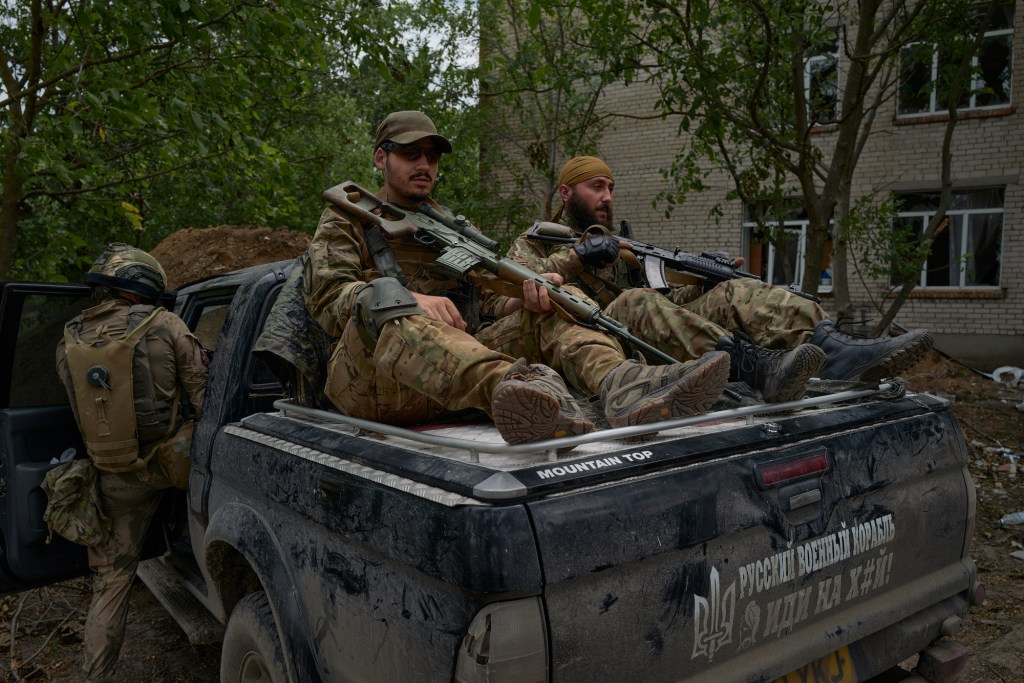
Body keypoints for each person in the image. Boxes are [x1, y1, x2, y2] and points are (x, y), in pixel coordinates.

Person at [302, 111, 733, 443]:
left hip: (451, 380)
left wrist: (522, 299)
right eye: (410, 154)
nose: (424, 164)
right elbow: (327, 298)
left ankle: (620, 386)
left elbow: (487, 307)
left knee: (556, 308)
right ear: (381, 157)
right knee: (388, 302)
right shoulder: (347, 216)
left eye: (431, 157)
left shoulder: (452, 226)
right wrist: (407, 299)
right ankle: (526, 394)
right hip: (373, 384)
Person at [498, 156, 934, 401]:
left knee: (729, 291)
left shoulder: (621, 246)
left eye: (610, 187)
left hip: (648, 332)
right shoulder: (533, 241)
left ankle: (835, 350)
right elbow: (508, 288)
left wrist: (703, 277)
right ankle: (756, 368)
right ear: (566, 193)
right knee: (634, 304)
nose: (607, 197)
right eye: (596, 187)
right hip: (593, 347)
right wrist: (576, 255)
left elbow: (662, 295)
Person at [56, 243, 208, 681]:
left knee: (112, 582)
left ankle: (94, 676)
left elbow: (77, 409)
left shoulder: (69, 339)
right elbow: (204, 400)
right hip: (174, 466)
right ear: (144, 286)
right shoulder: (167, 325)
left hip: (115, 476)